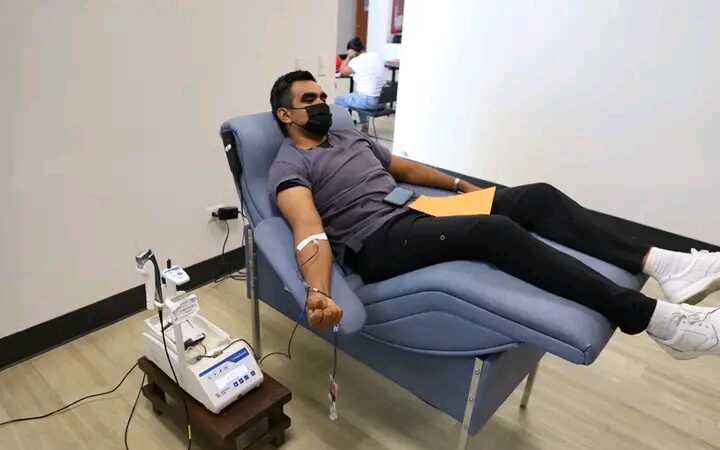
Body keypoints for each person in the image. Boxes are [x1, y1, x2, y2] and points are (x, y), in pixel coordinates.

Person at [267, 70, 720, 360]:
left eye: (323, 94)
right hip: (377, 240)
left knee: (536, 197)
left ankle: (665, 264)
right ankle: (658, 320)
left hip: (413, 207)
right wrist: (318, 292)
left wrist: (460, 185)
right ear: (286, 113)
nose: (322, 103)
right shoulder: (289, 167)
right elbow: (308, 230)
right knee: (496, 232)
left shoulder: (348, 136)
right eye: (310, 98)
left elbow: (402, 167)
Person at [335, 37, 385, 133]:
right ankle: (364, 128)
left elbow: (342, 71)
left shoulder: (357, 60)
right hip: (379, 99)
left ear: (352, 51)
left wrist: (348, 57)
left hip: (367, 100)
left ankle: (341, 128)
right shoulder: (376, 55)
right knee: (357, 96)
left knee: (335, 100)